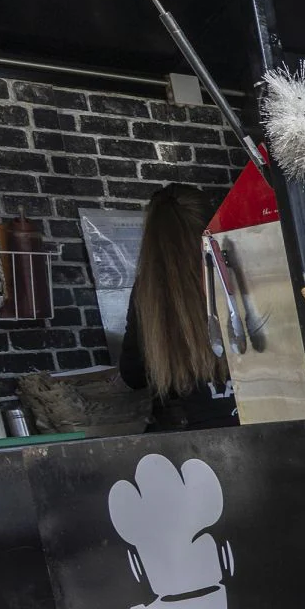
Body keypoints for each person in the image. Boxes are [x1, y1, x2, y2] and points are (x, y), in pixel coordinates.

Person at [117, 184, 237, 431]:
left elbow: (133, 375)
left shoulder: (148, 291)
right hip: (254, 417)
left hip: (186, 436)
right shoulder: (242, 272)